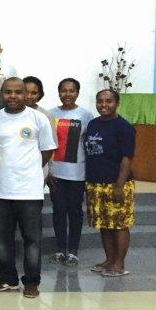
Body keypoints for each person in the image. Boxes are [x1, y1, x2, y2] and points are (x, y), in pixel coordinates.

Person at [0, 78, 56, 298]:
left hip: (29, 191)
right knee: (2, 239)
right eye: (8, 92)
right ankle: (8, 278)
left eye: (18, 92)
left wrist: (29, 170)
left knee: (32, 239)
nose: (12, 96)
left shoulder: (38, 118)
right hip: (0, 189)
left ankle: (32, 282)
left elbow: (47, 150)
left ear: (26, 94)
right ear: (2, 94)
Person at [84, 89, 136, 278]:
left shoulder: (123, 127)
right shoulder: (93, 124)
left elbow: (127, 157)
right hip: (96, 183)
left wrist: (119, 185)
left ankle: (119, 263)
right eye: (100, 101)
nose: (104, 105)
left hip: (117, 183)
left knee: (119, 224)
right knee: (105, 224)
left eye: (109, 101)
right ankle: (109, 259)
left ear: (117, 103)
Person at [48, 78, 93, 267]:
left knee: (74, 211)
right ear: (58, 92)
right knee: (58, 211)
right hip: (55, 172)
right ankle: (60, 249)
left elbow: (90, 144)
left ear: (78, 92)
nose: (68, 94)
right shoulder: (51, 114)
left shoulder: (85, 115)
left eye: (72, 90)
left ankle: (73, 250)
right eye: (64, 90)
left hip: (77, 173)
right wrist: (47, 171)